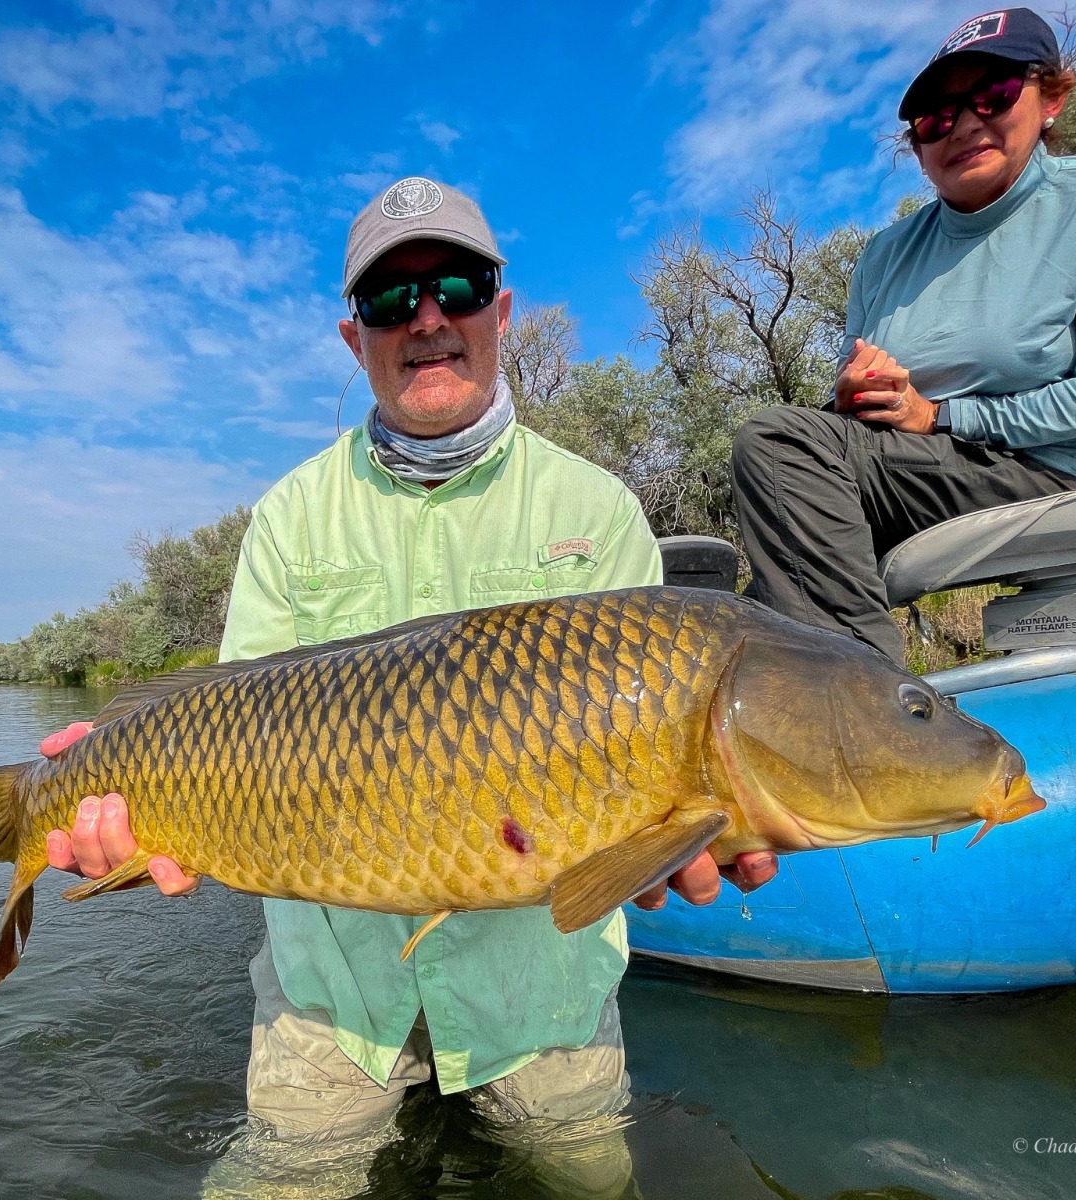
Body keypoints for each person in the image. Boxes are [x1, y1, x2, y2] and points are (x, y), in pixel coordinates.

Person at [42, 176, 778, 1196]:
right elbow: (229, 731)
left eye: (457, 288)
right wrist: (139, 807)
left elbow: (652, 804)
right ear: (357, 339)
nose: (427, 320)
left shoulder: (597, 509)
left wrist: (687, 830)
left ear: (500, 313)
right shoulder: (291, 516)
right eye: (392, 301)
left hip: (544, 1003)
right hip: (333, 1005)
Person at [730, 6, 1076, 664]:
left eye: (993, 96)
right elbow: (859, 423)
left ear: (1050, 97)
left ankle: (869, 715)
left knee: (774, 443)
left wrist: (941, 415)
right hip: (898, 470)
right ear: (917, 144)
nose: (965, 125)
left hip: (1030, 471)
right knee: (744, 612)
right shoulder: (887, 253)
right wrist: (853, 397)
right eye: (937, 118)